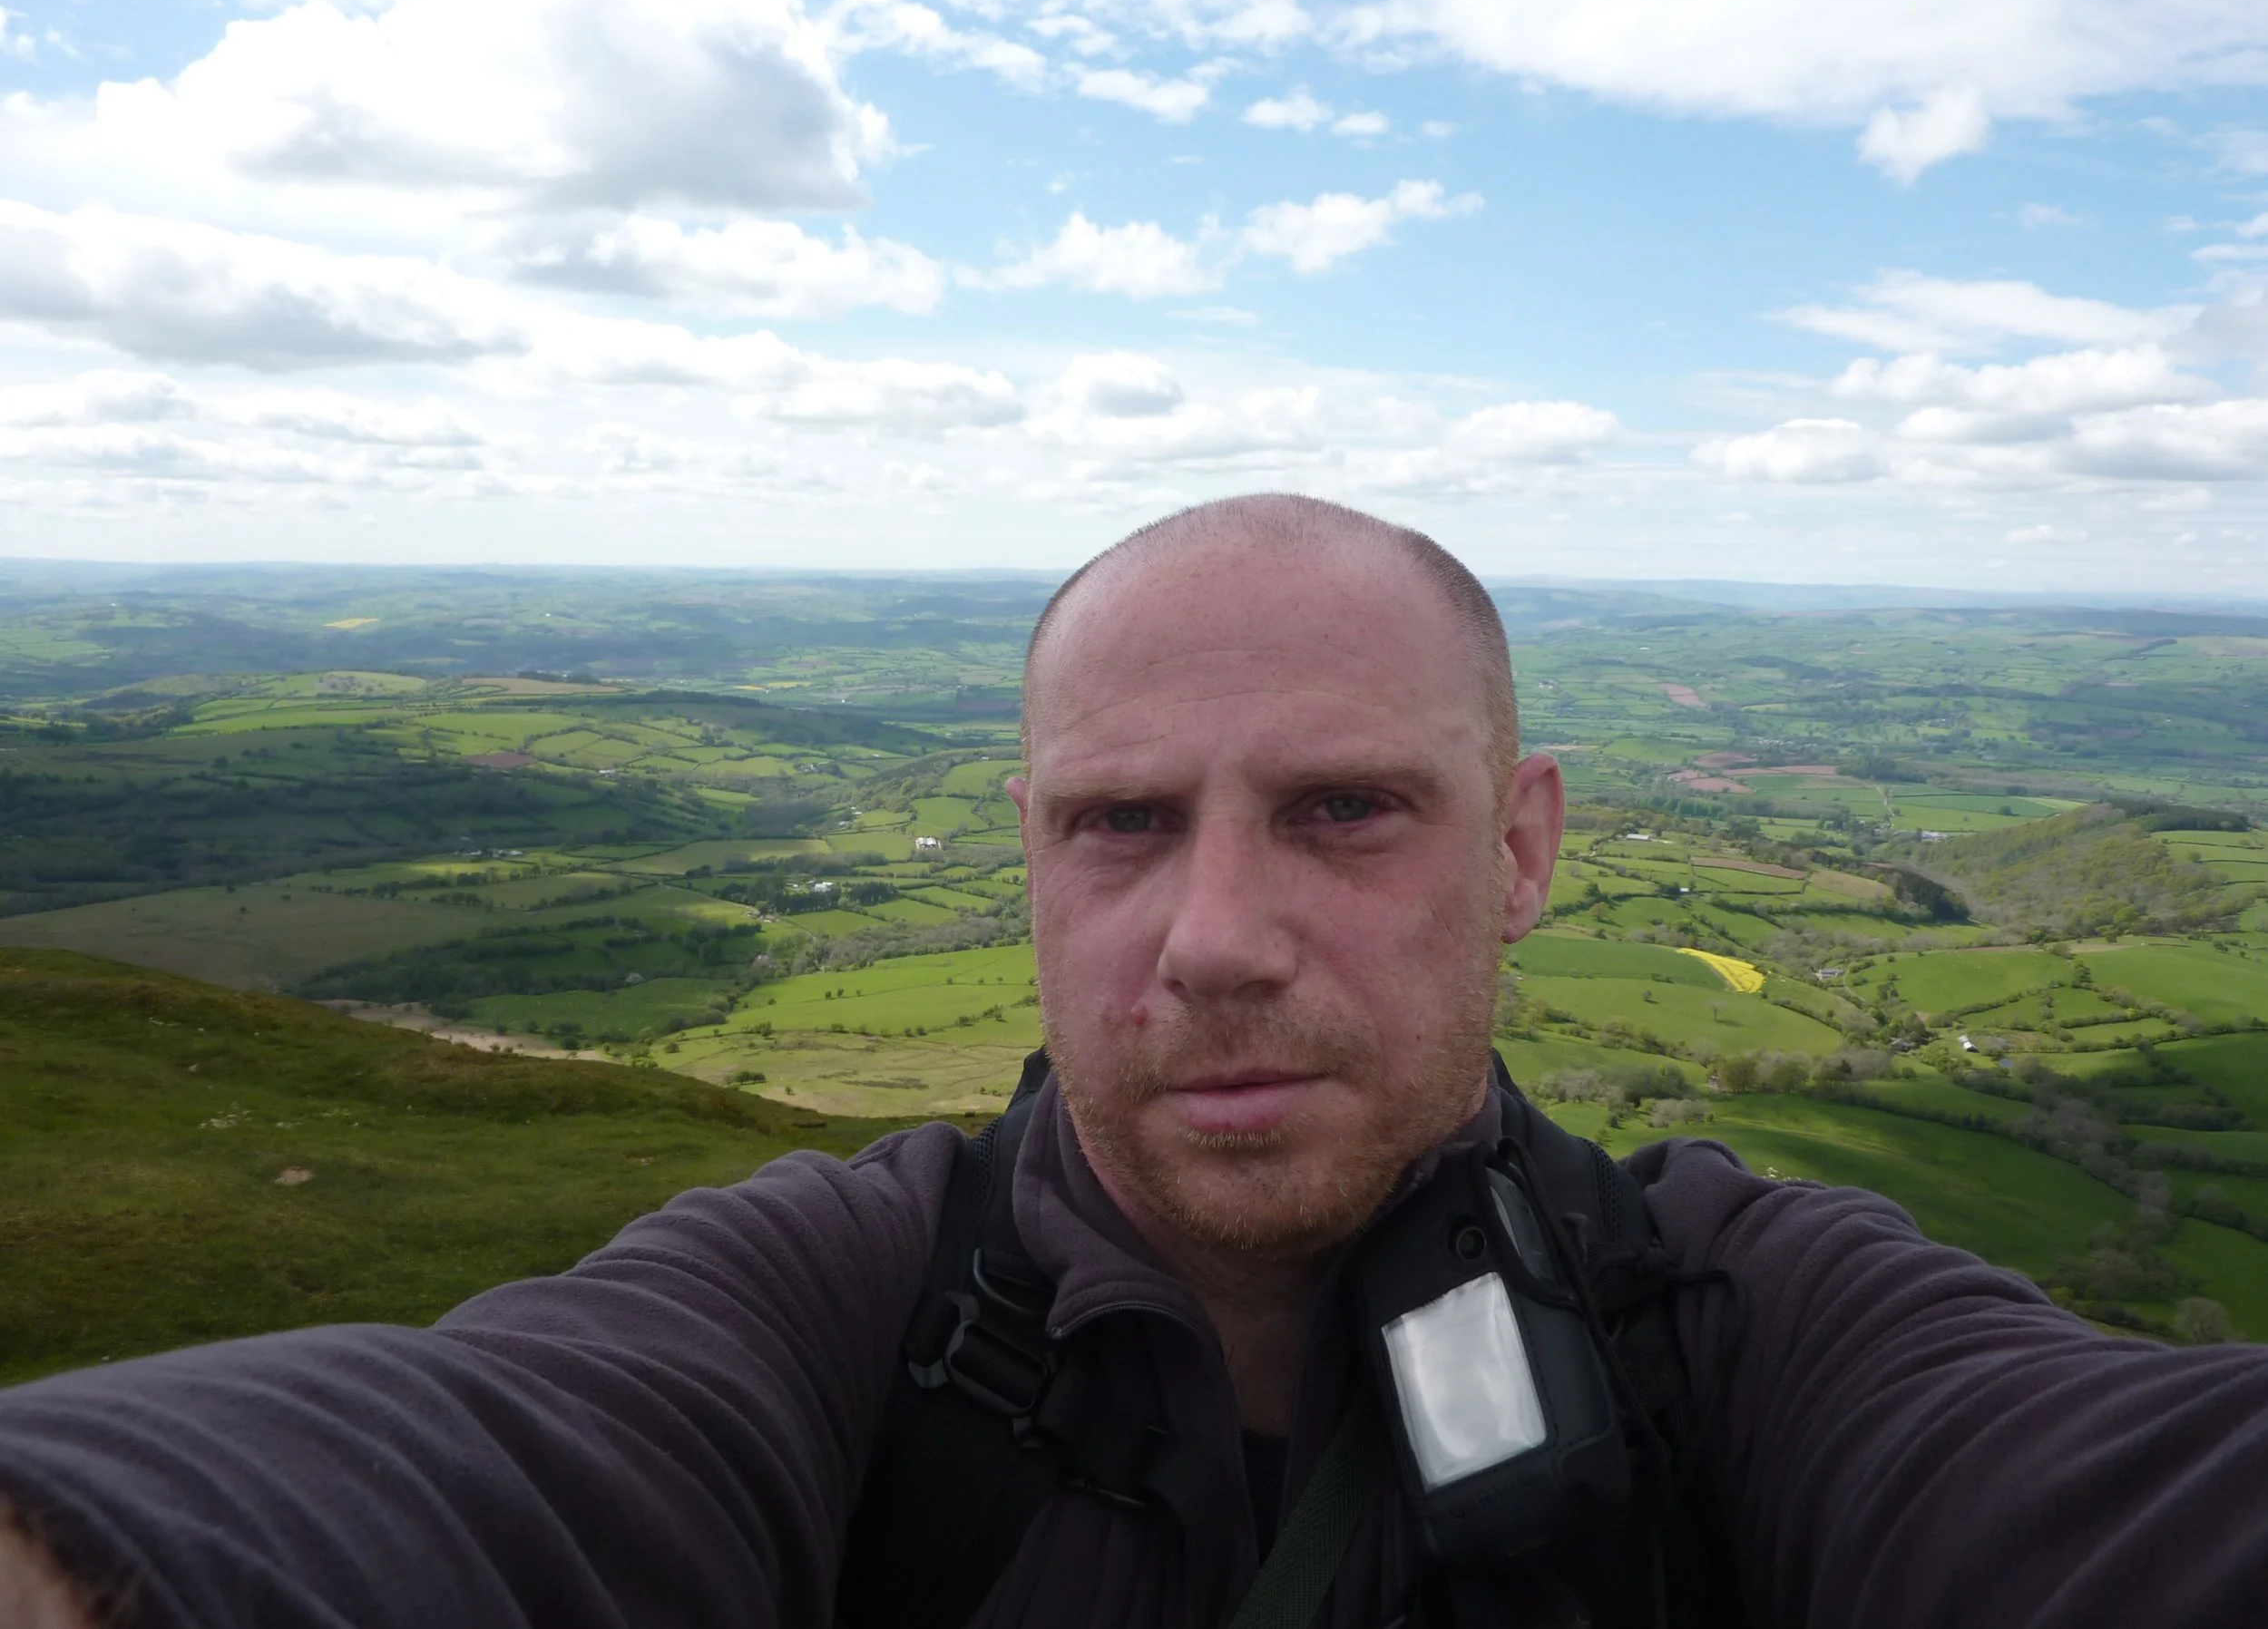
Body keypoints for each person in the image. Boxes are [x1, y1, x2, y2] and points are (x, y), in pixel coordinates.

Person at [2, 493, 2265, 1629]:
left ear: (1525, 844)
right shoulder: (828, 1305)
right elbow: (458, 1466)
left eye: (1343, 809)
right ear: (1030, 857)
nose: (1209, 941)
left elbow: (2089, 1487)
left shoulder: (1740, 1318)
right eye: (1116, 822)